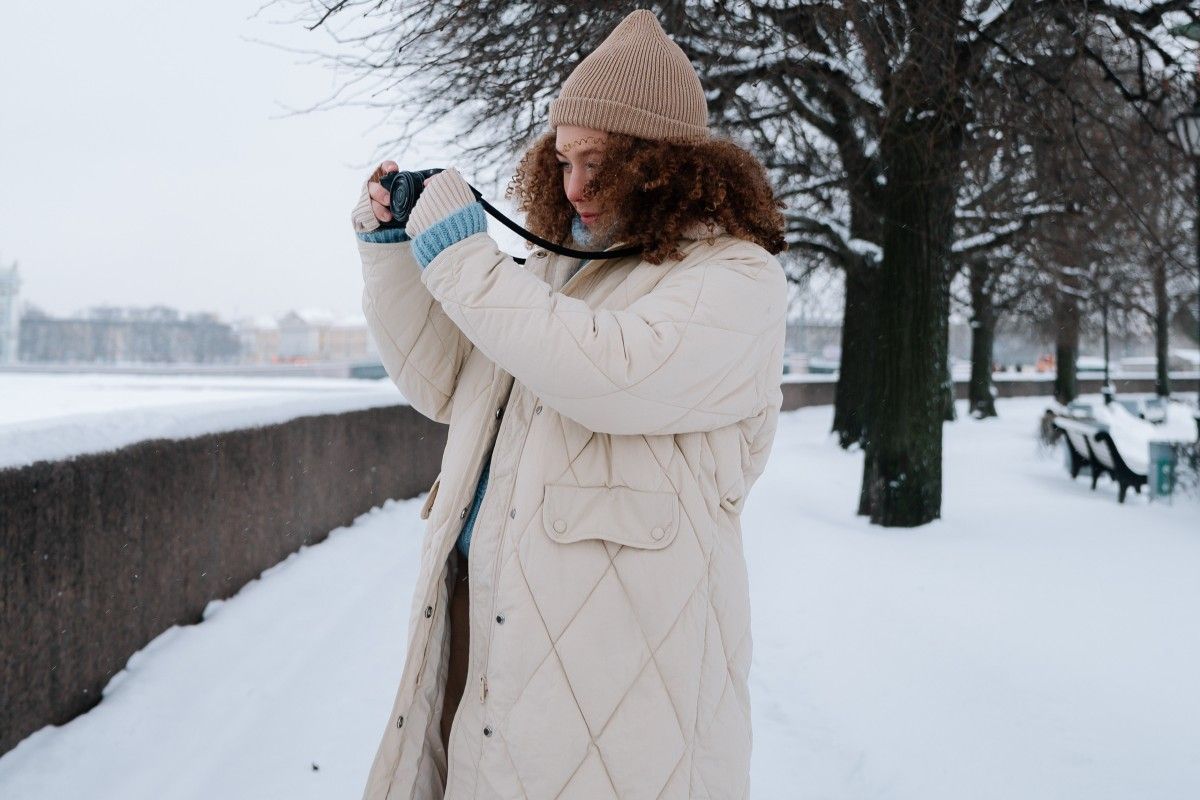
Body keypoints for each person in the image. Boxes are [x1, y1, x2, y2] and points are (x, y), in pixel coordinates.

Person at [349, 9, 788, 799]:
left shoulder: (736, 281)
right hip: (489, 643)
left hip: (629, 699)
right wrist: (393, 256)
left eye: (601, 164)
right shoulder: (554, 277)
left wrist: (467, 262)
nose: (574, 187)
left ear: (667, 167)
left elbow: (611, 373)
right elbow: (445, 383)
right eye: (562, 161)